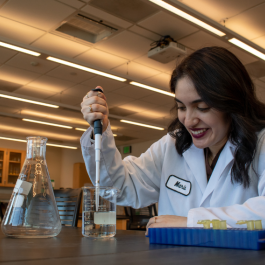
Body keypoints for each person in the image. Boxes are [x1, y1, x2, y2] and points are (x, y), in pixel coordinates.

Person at [80, 46, 265, 231]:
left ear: (232, 103)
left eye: (202, 107)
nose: (189, 121)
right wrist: (101, 132)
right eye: (182, 107)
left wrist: (191, 222)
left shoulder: (261, 143)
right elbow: (121, 187)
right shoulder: (173, 145)